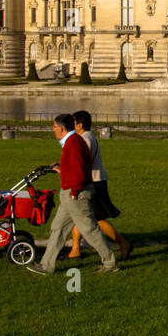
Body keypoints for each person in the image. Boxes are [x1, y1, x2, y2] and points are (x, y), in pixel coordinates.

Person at [27, 113, 119, 275]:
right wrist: (61, 169)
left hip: (76, 194)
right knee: (58, 228)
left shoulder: (73, 143)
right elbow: (76, 167)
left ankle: (110, 263)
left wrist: (75, 192)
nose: (52, 129)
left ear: (61, 128)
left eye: (54, 126)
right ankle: (46, 266)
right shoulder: (73, 141)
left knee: (90, 230)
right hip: (70, 193)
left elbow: (79, 171)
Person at [65, 109, 132, 261]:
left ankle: (123, 243)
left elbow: (81, 164)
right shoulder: (84, 137)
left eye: (73, 123)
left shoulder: (85, 139)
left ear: (80, 125)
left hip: (94, 182)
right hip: (93, 180)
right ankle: (75, 249)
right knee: (79, 215)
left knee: (95, 219)